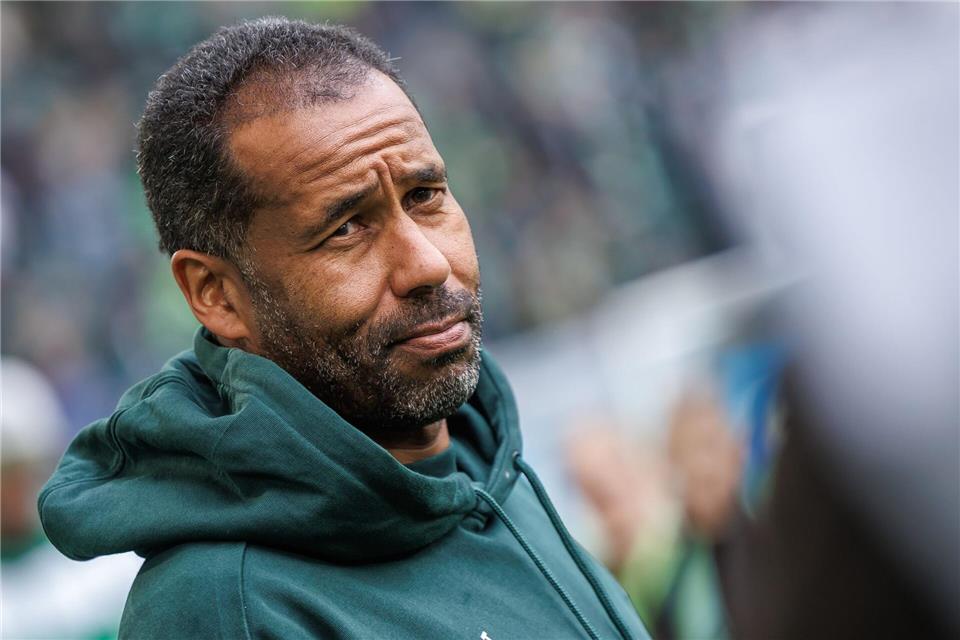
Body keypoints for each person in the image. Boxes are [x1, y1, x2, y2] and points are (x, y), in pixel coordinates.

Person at [38, 17, 650, 640]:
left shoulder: (496, 479)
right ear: (216, 294)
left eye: (426, 195)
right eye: (346, 228)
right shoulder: (227, 610)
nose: (428, 264)